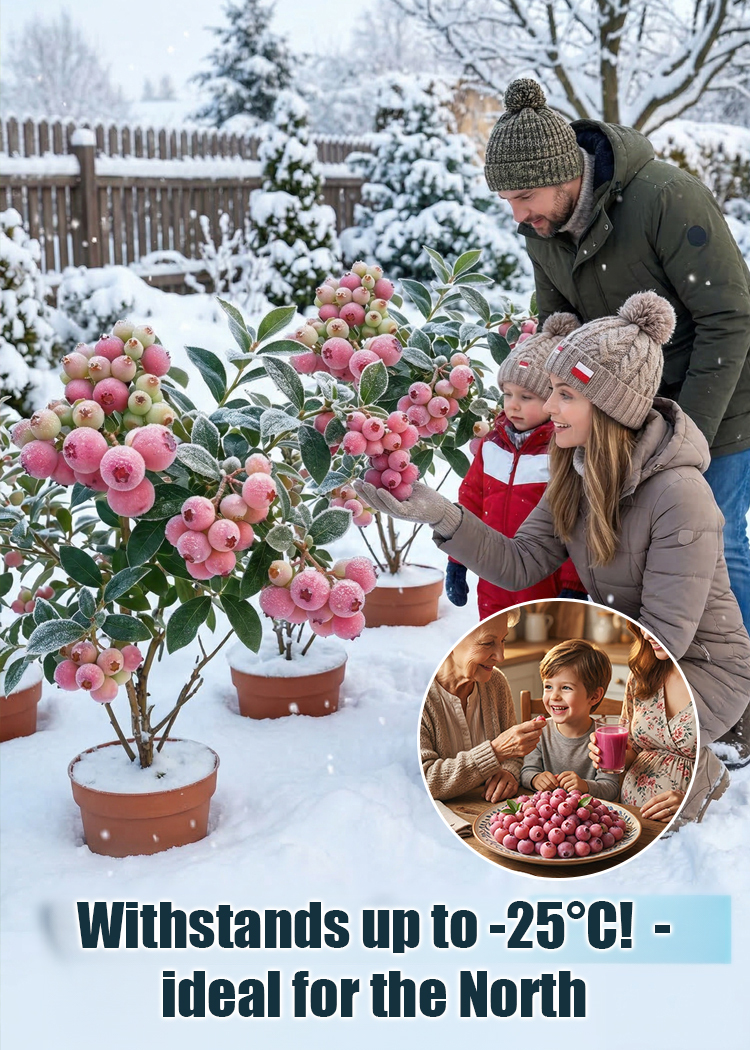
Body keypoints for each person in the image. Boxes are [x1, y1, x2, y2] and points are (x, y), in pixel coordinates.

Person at [357, 290, 750, 822]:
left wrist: (570, 703)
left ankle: (692, 771)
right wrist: (438, 514)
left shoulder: (679, 496)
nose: (548, 408)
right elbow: (519, 561)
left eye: (565, 395)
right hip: (626, 659)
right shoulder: (576, 470)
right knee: (529, 736)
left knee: (596, 782)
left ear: (608, 407)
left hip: (695, 669)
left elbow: (665, 640)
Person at [483, 77, 750, 759]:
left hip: (715, 403)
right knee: (636, 558)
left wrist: (676, 438)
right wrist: (534, 396)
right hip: (619, 416)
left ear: (562, 176)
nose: (518, 215)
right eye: (508, 202)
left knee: (714, 552)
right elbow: (557, 323)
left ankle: (735, 703)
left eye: (523, 198)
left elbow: (729, 317)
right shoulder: (545, 230)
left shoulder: (663, 196)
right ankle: (651, 697)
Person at [447, 313, 587, 616]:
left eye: (527, 396)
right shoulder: (492, 444)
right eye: (507, 394)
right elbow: (471, 499)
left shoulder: (564, 452)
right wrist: (457, 559)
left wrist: (574, 585)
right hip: (493, 576)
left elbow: (578, 522)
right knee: (496, 642)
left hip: (544, 584)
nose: (513, 404)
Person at [421, 611, 546, 802]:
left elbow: (514, 756)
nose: (501, 656)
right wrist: (496, 751)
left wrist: (509, 773)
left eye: (503, 640)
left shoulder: (495, 682)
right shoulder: (421, 695)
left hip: (487, 811)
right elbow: (426, 780)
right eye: (488, 643)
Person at [589, 625, 697, 824]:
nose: (647, 634)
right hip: (630, 818)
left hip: (691, 828)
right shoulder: (641, 675)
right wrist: (608, 754)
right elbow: (633, 750)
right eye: (642, 626)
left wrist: (694, 804)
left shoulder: (722, 683)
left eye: (657, 624)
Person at [519, 639, 619, 801]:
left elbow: (611, 788)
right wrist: (535, 778)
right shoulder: (539, 732)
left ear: (594, 696)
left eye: (566, 688)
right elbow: (526, 772)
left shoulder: (604, 739)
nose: (554, 696)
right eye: (548, 686)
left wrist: (584, 786)